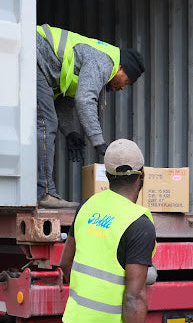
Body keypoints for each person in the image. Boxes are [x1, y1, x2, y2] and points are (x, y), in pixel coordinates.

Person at [36, 24, 145, 208]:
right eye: (127, 81)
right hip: (34, 54)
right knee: (46, 122)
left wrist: (70, 132)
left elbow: (64, 101)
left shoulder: (99, 63)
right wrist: (99, 142)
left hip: (40, 64)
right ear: (120, 69)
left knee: (48, 120)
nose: (123, 87)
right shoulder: (103, 61)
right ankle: (44, 193)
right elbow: (85, 99)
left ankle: (44, 191)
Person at [60, 138, 156, 323]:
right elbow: (133, 297)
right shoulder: (139, 224)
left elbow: (65, 263)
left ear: (107, 174)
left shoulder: (87, 206)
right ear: (142, 175)